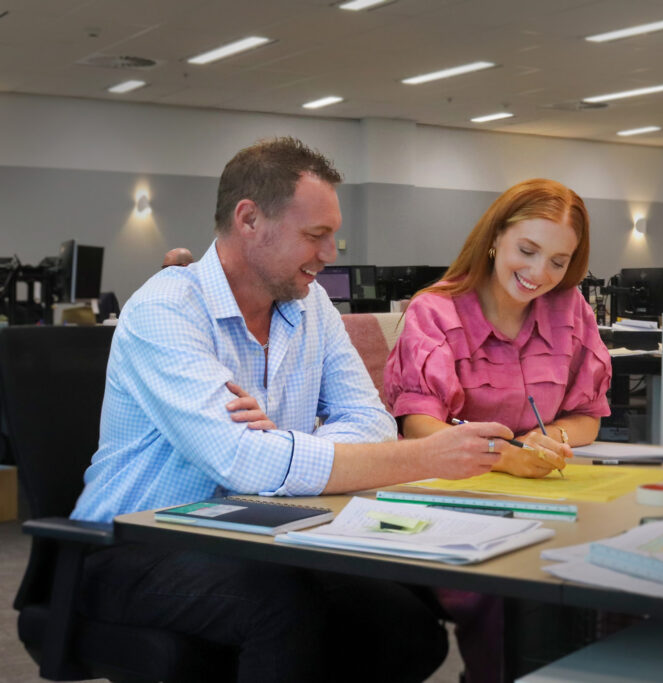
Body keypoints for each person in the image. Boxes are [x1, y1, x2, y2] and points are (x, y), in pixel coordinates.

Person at [71, 137, 511, 683]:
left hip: (260, 532)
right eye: (315, 235)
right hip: (134, 543)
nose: (330, 254)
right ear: (250, 219)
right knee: (281, 610)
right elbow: (240, 463)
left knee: (405, 628)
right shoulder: (167, 309)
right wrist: (425, 457)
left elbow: (370, 421)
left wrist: (281, 446)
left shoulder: (311, 306)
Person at [383, 178, 612, 681]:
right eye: (526, 251)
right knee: (511, 591)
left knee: (606, 565)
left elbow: (587, 416)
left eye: (558, 261)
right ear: (494, 238)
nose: (539, 273)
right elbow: (420, 424)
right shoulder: (435, 311)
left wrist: (549, 439)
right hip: (450, 493)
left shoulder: (572, 311)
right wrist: (503, 454)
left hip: (544, 491)